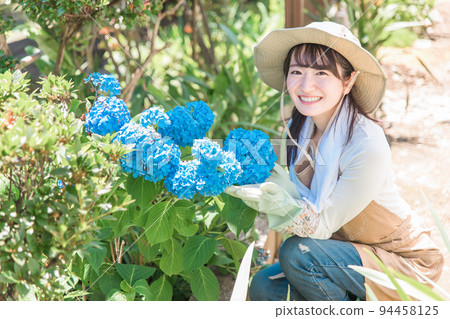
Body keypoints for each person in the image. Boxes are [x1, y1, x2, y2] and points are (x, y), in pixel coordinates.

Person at [225, 21, 444, 301]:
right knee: (264, 286)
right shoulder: (299, 128)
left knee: (298, 254)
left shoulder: (366, 143)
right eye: (296, 72)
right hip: (340, 253)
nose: (306, 85)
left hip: (399, 262)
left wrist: (281, 204)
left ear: (348, 80)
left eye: (320, 72)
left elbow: (320, 226)